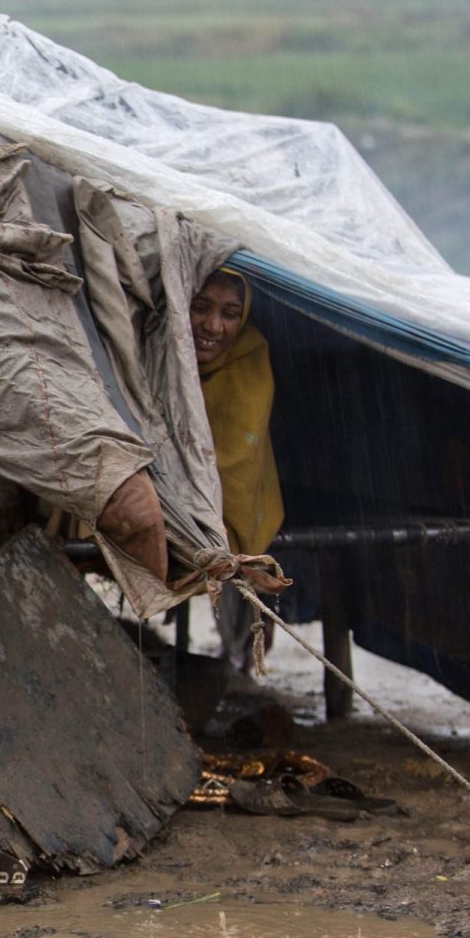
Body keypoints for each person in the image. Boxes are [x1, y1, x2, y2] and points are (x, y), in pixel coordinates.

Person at [191, 266, 284, 669]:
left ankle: (242, 662)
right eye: (201, 308)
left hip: (239, 513)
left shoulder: (249, 359)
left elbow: (236, 464)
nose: (213, 326)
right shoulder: (156, 352)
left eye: (230, 313)